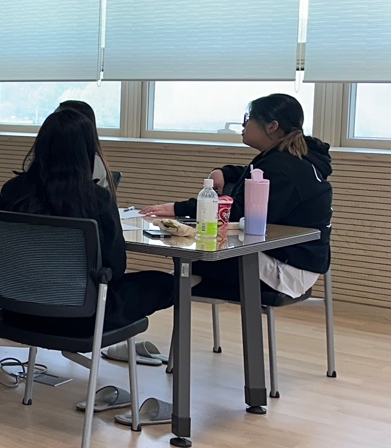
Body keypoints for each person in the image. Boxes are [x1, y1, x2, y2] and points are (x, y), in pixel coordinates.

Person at [0, 108, 173, 340]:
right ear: (87, 151)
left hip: (16, 310)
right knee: (166, 284)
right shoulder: (98, 199)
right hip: (81, 318)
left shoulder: (12, 191)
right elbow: (115, 267)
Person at [142, 92, 332, 300]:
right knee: (188, 262)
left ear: (272, 126)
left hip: (286, 269)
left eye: (248, 118)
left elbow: (239, 212)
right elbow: (253, 173)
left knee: (189, 256)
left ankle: (171, 292)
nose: (243, 125)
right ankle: (176, 288)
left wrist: (178, 208)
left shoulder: (283, 169)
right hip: (290, 259)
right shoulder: (292, 160)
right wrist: (224, 172)